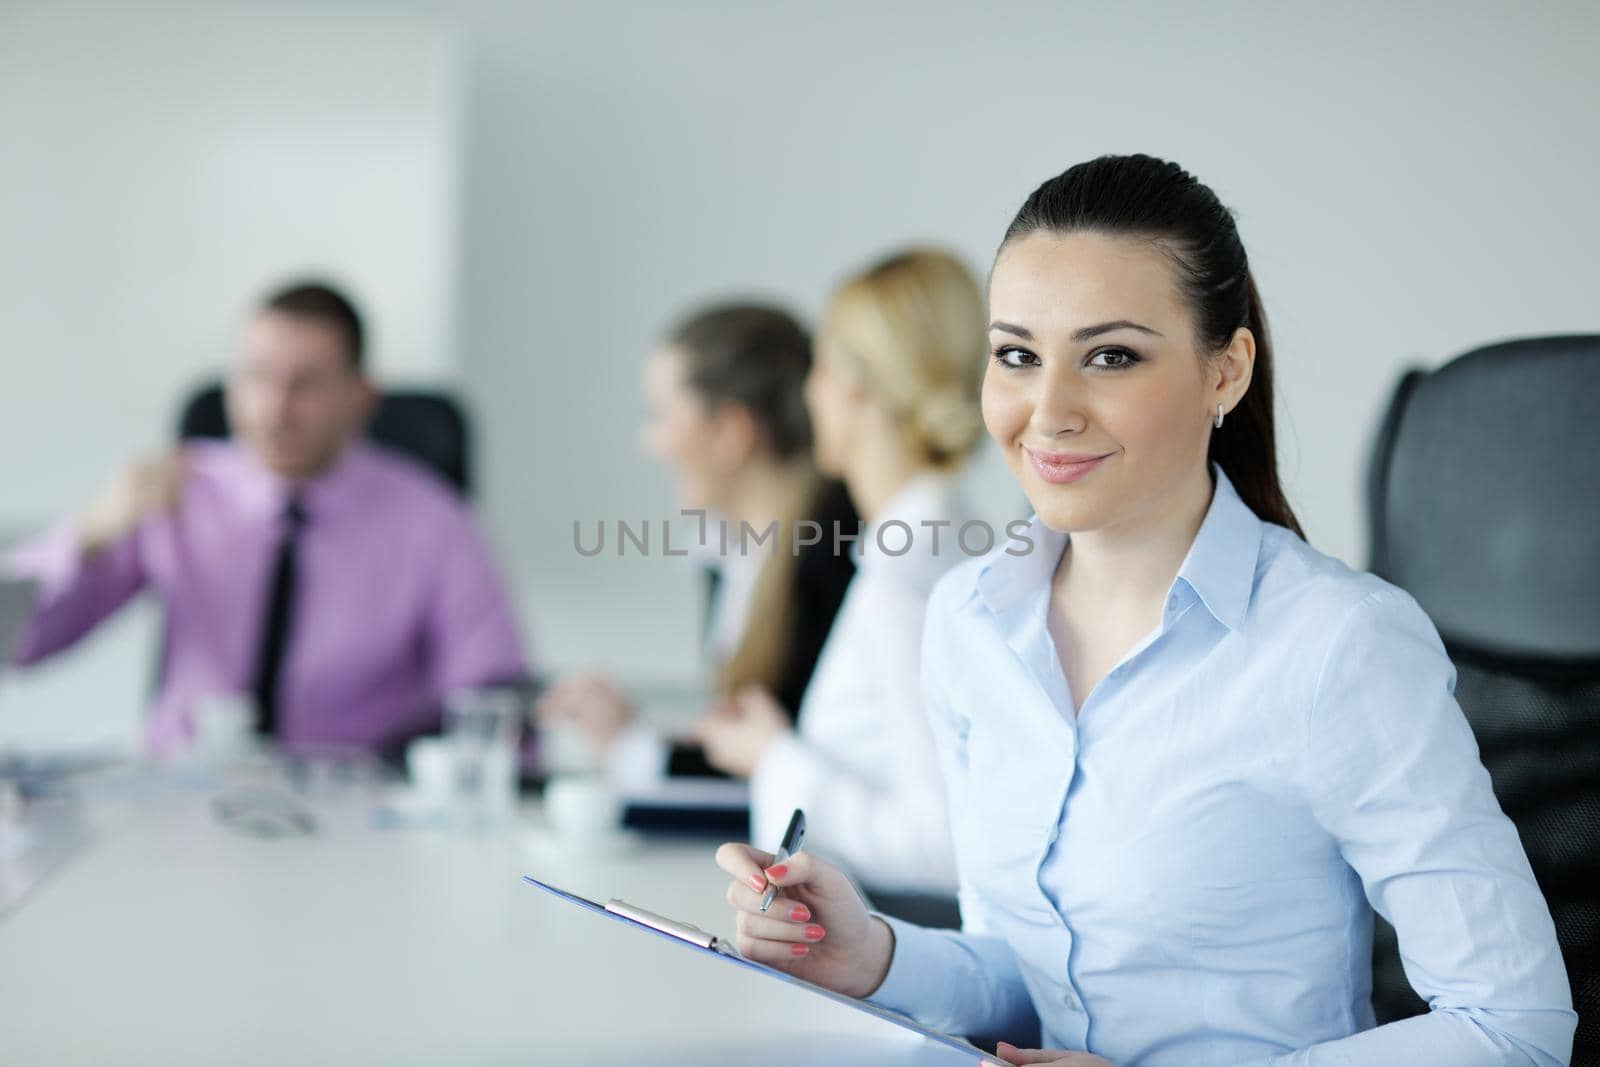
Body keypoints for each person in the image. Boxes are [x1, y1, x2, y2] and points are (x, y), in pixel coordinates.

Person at [713, 155, 1576, 1066]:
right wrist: (877, 954)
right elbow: (1033, 978)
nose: (1047, 411)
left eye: (1111, 356)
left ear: (1226, 372)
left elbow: (1513, 1027)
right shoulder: (969, 619)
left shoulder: (1338, 644)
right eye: (1017, 355)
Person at [5, 281, 528, 758]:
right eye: (256, 376)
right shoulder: (175, 494)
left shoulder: (433, 520)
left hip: (355, 808)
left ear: (361, 397)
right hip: (181, 799)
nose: (275, 407)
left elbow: (491, 696)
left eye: (306, 384)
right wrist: (87, 533)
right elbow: (12, 642)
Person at [691, 248, 988, 898]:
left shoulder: (906, 578)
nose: (809, 392)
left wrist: (774, 758)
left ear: (858, 387)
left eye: (820, 368)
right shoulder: (941, 541)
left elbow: (943, 843)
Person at [537, 304, 857, 781]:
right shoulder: (729, 550)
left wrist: (628, 746)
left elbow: (773, 771)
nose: (651, 442)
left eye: (661, 415)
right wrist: (630, 734)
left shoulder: (831, 554)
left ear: (730, 431)